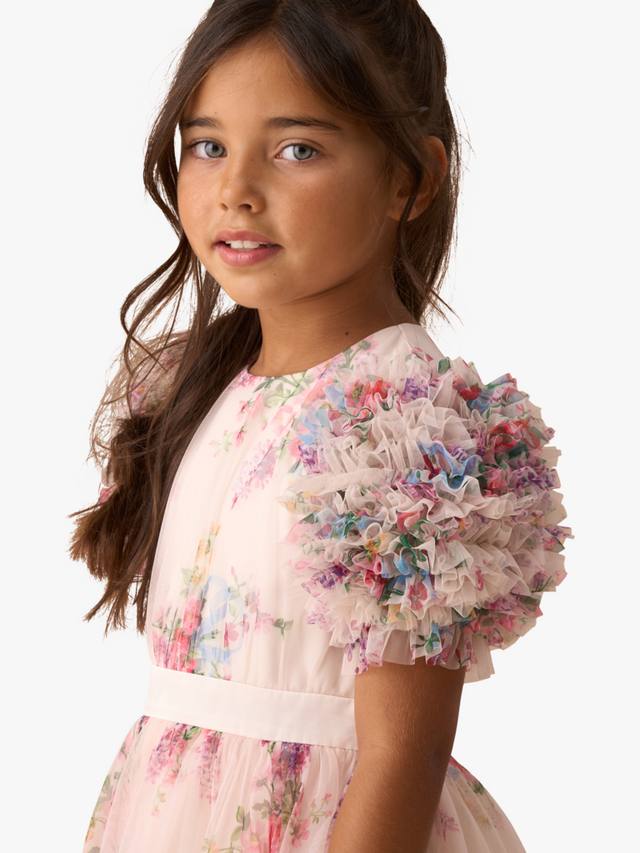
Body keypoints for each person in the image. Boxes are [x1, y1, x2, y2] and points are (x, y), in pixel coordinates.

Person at [70, 3, 573, 851]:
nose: (235, 189)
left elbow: (403, 757)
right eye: (208, 145)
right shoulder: (196, 386)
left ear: (411, 179)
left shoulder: (406, 431)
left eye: (297, 149)